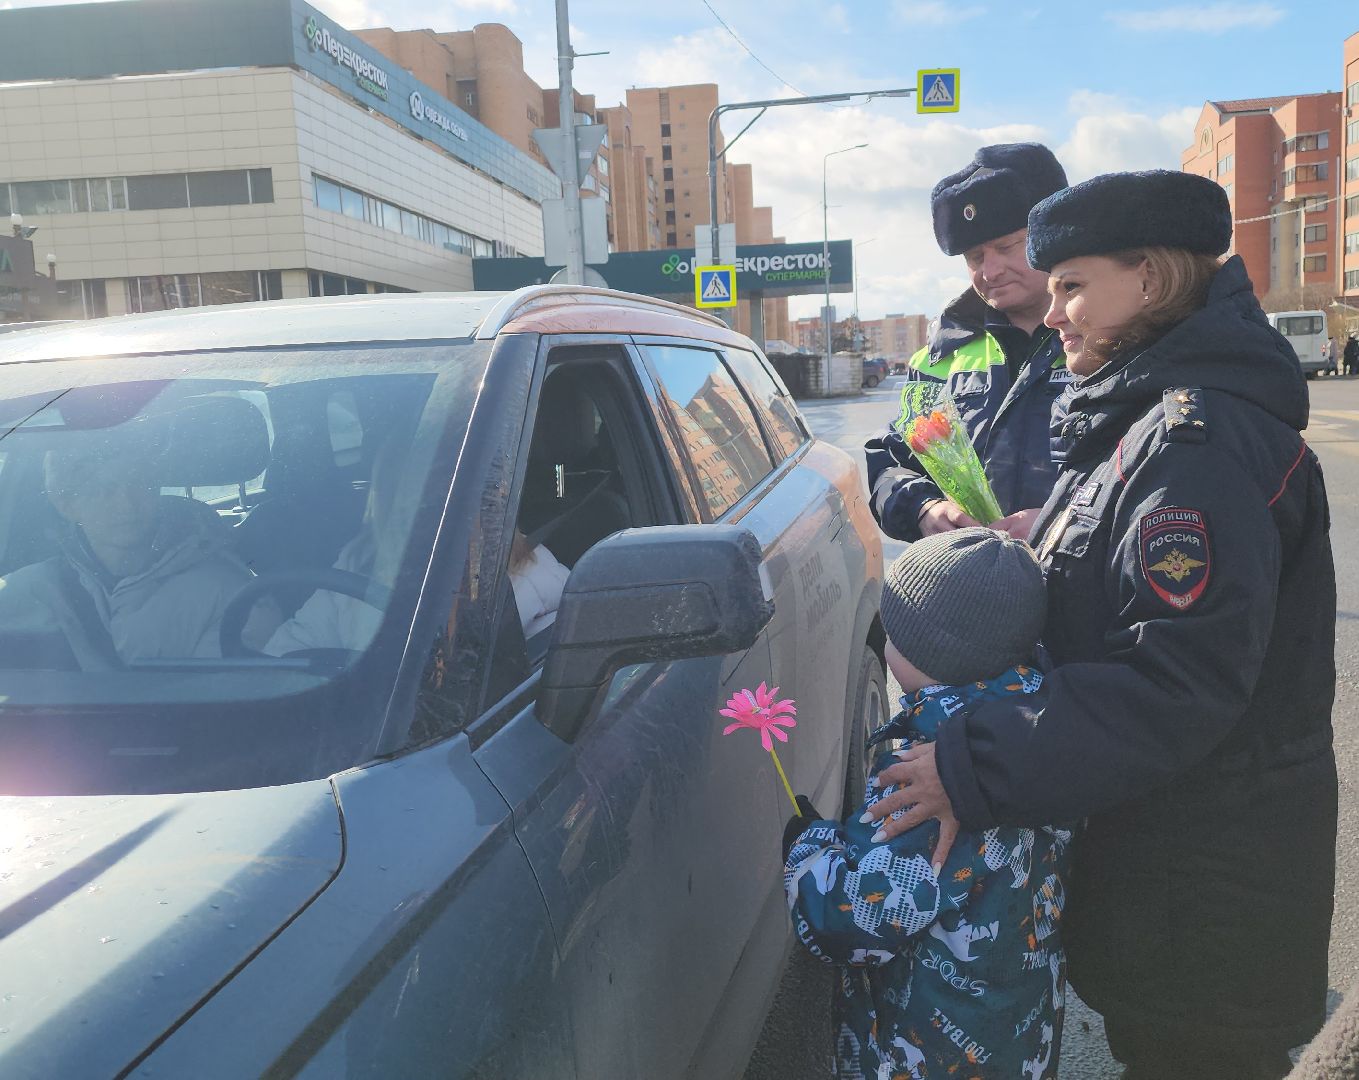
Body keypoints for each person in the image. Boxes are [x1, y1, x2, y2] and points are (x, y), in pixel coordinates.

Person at [864, 170, 1337, 1079]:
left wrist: (971, 765)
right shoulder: (1146, 421)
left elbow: (1172, 683)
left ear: (1150, 281)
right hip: (1175, 865)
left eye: (1074, 285)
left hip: (1202, 891)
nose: (1055, 312)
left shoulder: (1189, 450)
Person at [784, 529, 1070, 1079]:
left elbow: (848, 923)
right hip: (1019, 1028)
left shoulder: (925, 777)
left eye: (894, 633)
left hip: (930, 1051)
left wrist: (809, 851)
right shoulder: (1041, 733)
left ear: (924, 654)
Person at [865, 143, 1071, 543]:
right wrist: (924, 507)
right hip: (976, 589)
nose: (990, 270)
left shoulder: (1113, 339)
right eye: (975, 257)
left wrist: (1063, 523)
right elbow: (895, 459)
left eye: (1008, 247)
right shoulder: (939, 358)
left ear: (1054, 235)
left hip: (1088, 588)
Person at [0, 427, 274, 665]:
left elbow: (222, 709)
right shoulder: (25, 590)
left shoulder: (232, 592)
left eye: (139, 484)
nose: (126, 504)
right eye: (103, 491)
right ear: (66, 505)